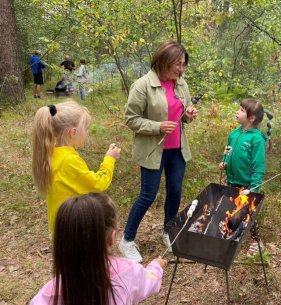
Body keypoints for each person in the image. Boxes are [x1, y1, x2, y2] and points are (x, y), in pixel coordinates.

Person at [119, 41, 198, 262]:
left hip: (177, 150)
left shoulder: (181, 84)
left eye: (183, 65)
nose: (181, 69)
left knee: (175, 192)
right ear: (163, 61)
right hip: (153, 149)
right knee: (147, 195)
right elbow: (131, 119)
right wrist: (158, 126)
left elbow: (184, 114)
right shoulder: (142, 85)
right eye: (177, 64)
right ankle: (126, 240)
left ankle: (169, 232)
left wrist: (189, 115)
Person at [30, 193, 167, 305]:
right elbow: (150, 281)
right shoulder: (128, 271)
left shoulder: (49, 294)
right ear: (111, 238)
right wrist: (156, 266)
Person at [31, 100, 121, 233]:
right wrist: (109, 159)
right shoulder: (69, 160)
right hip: (74, 229)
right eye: (85, 128)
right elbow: (98, 184)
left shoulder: (51, 154)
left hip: (59, 227)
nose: (87, 132)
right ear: (72, 132)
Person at [219, 98, 269, 255]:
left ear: (252, 117)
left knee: (247, 211)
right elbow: (228, 150)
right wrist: (224, 161)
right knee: (233, 206)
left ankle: (256, 241)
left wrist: (254, 186)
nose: (237, 112)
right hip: (232, 179)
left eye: (241, 110)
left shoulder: (257, 139)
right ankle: (230, 230)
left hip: (247, 183)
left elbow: (259, 165)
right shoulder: (234, 133)